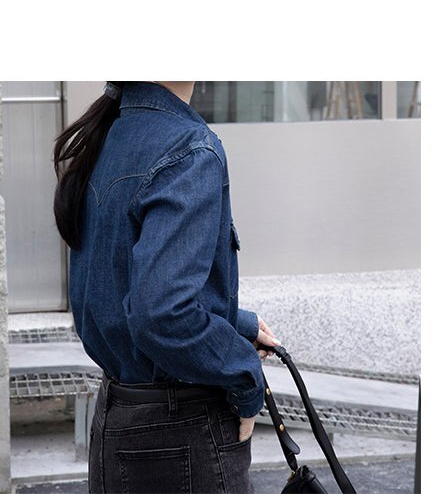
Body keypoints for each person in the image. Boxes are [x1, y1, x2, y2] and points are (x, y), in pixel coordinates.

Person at [53, 81, 281, 493]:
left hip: (116, 421)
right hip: (182, 431)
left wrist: (236, 325)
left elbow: (120, 294)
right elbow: (161, 314)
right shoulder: (188, 148)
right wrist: (246, 375)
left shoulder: (109, 134)